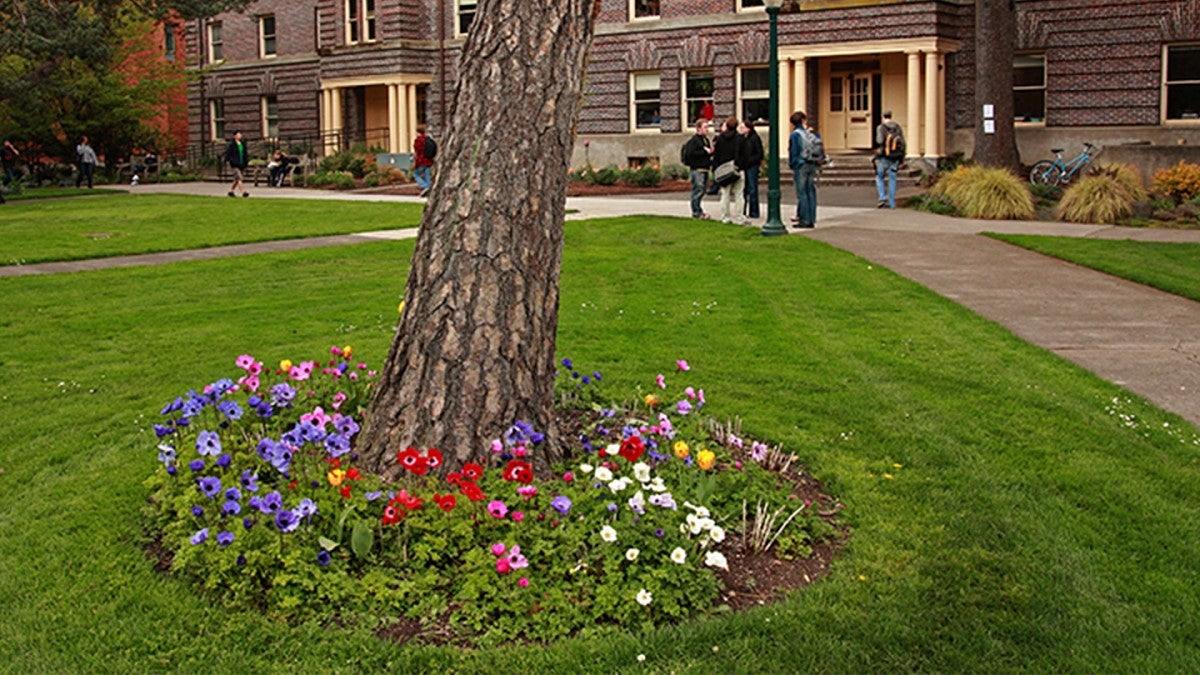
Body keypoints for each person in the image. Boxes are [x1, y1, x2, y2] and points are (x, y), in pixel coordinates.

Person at [711, 116, 750, 225]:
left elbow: (716, 156)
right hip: (737, 169)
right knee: (739, 194)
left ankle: (725, 217)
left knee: (725, 194)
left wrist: (716, 169)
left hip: (723, 170)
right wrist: (741, 166)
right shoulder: (741, 139)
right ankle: (740, 218)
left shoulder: (719, 139)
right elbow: (745, 156)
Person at [787, 111, 817, 229]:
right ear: (803, 120)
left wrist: (792, 164)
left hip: (800, 165)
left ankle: (804, 219)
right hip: (811, 163)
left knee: (802, 193)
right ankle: (811, 218)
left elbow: (793, 152)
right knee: (811, 192)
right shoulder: (809, 133)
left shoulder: (795, 135)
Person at [681, 117, 714, 220]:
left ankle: (699, 210)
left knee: (702, 190)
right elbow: (691, 154)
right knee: (697, 190)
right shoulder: (694, 141)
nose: (707, 129)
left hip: (705, 169)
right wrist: (705, 152)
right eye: (705, 127)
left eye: (707, 127)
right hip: (697, 169)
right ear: (698, 129)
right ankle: (696, 212)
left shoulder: (706, 140)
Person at [875, 110, 905, 209]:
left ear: (883, 116)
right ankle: (892, 202)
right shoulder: (897, 127)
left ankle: (882, 197)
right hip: (895, 156)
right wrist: (902, 158)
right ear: (891, 116)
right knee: (892, 178)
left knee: (880, 176)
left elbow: (879, 140)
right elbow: (903, 143)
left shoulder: (881, 127)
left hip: (884, 156)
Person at [739, 120, 764, 219]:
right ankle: (743, 210)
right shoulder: (741, 139)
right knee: (743, 189)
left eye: (743, 127)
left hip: (752, 166)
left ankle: (754, 211)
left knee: (753, 188)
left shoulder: (755, 138)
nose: (741, 129)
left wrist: (750, 161)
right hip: (744, 166)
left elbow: (759, 153)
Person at [225, 130, 250, 197]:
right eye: (238, 134)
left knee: (236, 179)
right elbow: (228, 155)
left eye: (240, 134)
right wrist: (232, 161)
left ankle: (231, 191)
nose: (240, 136)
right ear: (235, 136)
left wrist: (246, 162)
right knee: (239, 178)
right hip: (235, 164)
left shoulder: (242, 144)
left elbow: (245, 154)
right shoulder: (232, 145)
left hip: (242, 164)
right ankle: (243, 192)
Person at [412, 124, 434, 197]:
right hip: (429, 160)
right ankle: (429, 188)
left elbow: (417, 151)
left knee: (416, 173)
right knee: (427, 174)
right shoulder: (428, 139)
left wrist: (415, 158)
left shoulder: (418, 140)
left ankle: (424, 186)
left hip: (421, 160)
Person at [1, 139, 18, 204]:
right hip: (6, 165)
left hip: (11, 165)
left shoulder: (11, 149)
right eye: (7, 142)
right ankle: (4, 184)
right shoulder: (3, 149)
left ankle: (4, 185)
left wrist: (12, 147)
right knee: (10, 177)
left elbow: (17, 153)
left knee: (12, 177)